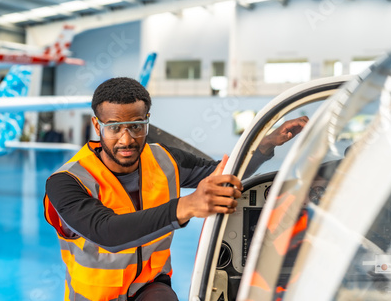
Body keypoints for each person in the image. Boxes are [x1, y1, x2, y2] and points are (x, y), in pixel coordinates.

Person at [44, 77, 308, 301]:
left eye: (136, 126)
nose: (126, 139)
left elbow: (222, 173)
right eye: (114, 128)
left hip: (150, 285)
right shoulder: (67, 180)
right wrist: (187, 205)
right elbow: (107, 232)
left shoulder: (165, 159)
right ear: (96, 125)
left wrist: (265, 145)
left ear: (147, 121)